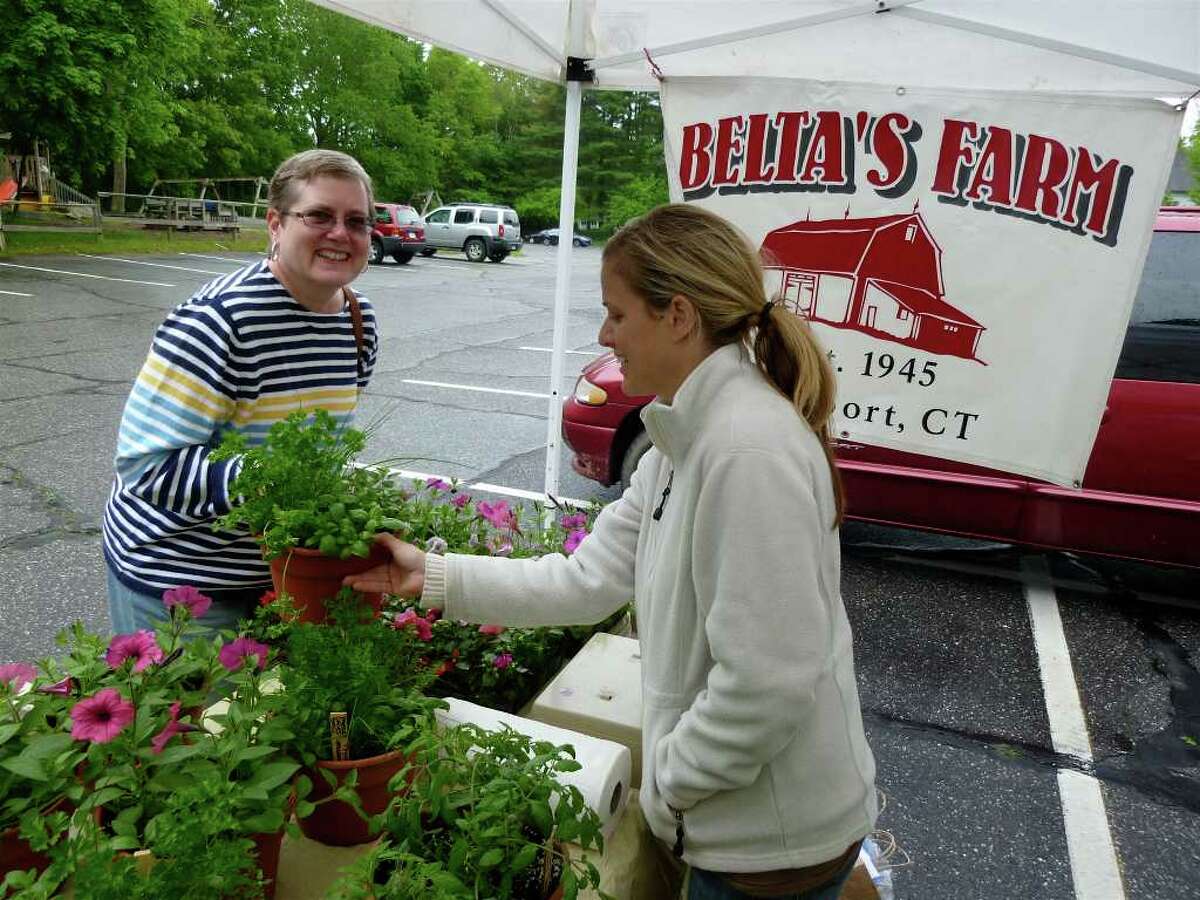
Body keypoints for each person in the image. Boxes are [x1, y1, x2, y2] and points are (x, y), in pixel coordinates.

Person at [346, 203, 877, 899]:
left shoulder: (746, 451)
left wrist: (670, 784)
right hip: (740, 826)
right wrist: (434, 575)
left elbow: (768, 681)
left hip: (767, 846)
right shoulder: (681, 442)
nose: (604, 334)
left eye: (618, 314)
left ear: (678, 315)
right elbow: (588, 579)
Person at [103, 149, 380, 634]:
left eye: (357, 221)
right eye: (318, 215)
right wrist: (273, 482)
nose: (341, 233)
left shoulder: (358, 322)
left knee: (276, 709)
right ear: (275, 224)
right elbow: (145, 466)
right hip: (182, 579)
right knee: (193, 712)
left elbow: (327, 444)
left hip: (283, 573)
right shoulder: (218, 321)